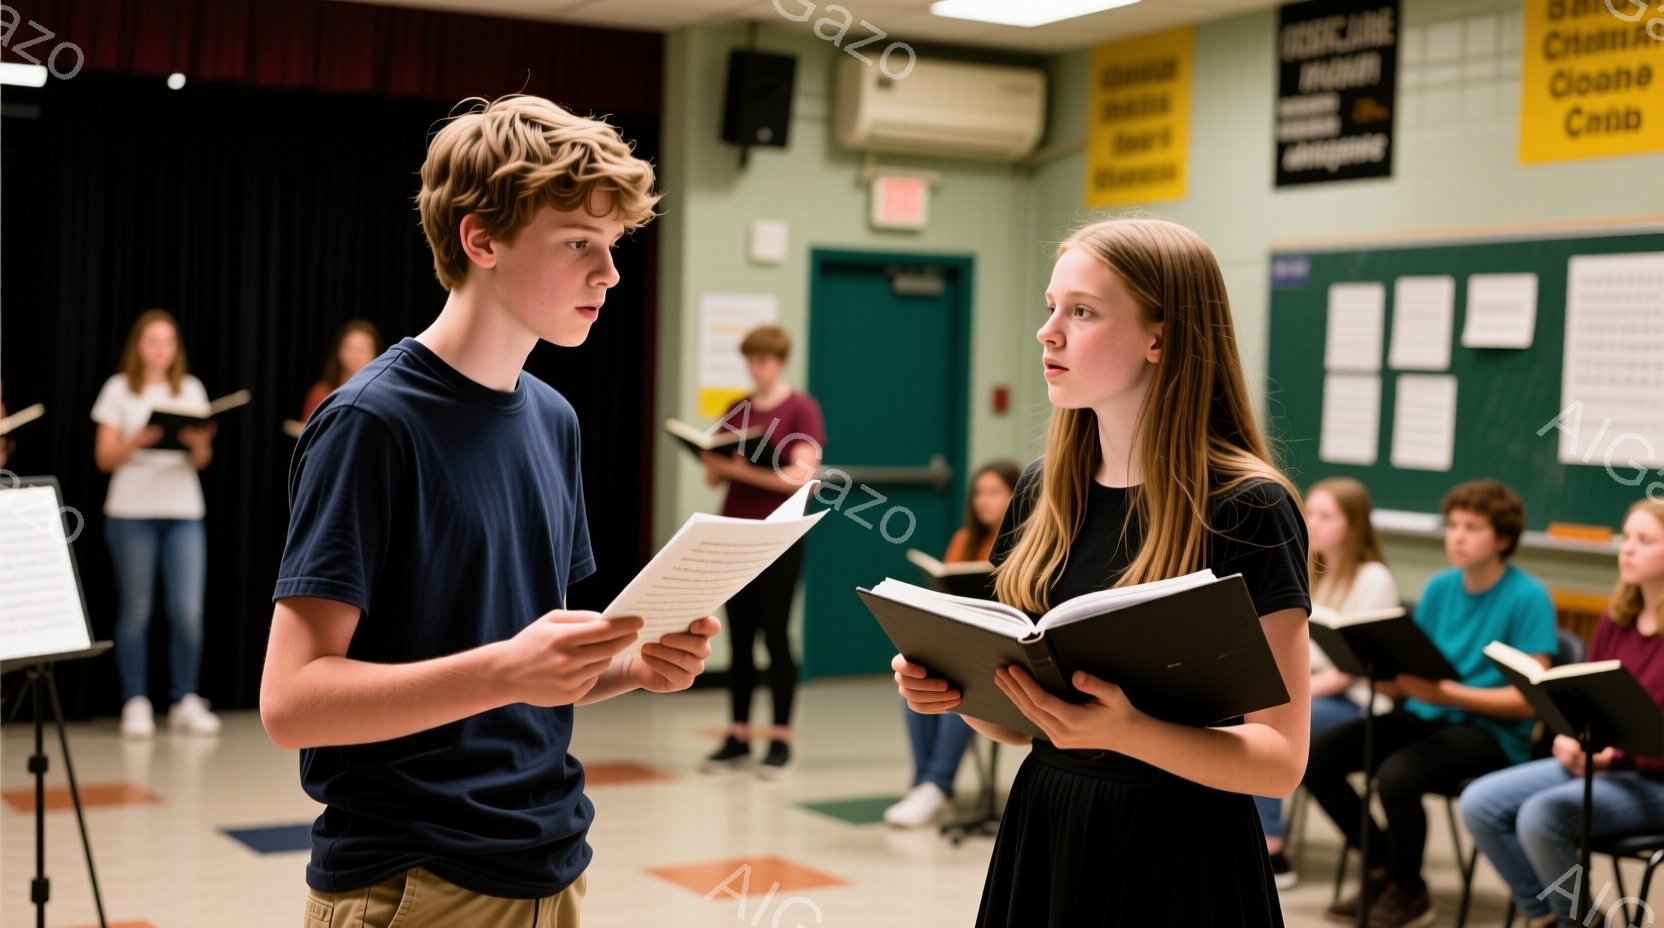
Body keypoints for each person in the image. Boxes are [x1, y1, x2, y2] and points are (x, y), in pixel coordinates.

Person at [260, 95, 718, 927]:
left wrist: (633, 666)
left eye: (612, 247)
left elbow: (535, 673)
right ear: (482, 240)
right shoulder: (371, 423)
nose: (609, 274)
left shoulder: (554, 418)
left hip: (551, 866)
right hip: (413, 883)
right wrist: (506, 669)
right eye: (579, 243)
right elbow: (291, 702)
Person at [894, 219, 1313, 927]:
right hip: (1050, 826)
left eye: (1081, 311)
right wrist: (955, 692)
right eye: (1051, 307)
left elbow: (1279, 759)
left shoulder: (1248, 507)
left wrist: (1126, 730)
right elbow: (1022, 726)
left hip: (1182, 849)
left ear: (1163, 337)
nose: (1047, 333)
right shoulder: (1043, 491)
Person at [1302, 478, 1558, 927]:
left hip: (1490, 731)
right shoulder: (1440, 587)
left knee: (1396, 777)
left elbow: (1529, 701)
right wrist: (1384, 677)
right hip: (1426, 713)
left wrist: (1444, 694)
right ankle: (1385, 865)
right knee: (1317, 756)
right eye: (1453, 524)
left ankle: (1406, 888)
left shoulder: (1529, 596)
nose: (1456, 536)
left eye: (1472, 527)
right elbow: (1419, 666)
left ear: (1502, 538)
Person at [1460, 499, 1664, 928]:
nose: (1627, 549)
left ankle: (1577, 920)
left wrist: (1612, 756)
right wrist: (1572, 734)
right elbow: (1590, 696)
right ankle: (1556, 917)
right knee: (1479, 803)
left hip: (1652, 777)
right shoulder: (1617, 616)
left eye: (1645, 541)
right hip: (1602, 763)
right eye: (1626, 537)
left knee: (1540, 817)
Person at [1257, 476, 1401, 887]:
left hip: (1355, 699)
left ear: (1353, 525)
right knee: (1249, 714)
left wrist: (1287, 695)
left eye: (1326, 516)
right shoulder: (1309, 568)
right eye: (1310, 513)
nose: (1313, 523)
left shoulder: (1374, 578)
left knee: (1268, 726)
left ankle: (1272, 846)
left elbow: (1352, 668)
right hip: (1309, 689)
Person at [699, 324, 825, 780]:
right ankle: (736, 736)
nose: (758, 368)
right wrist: (710, 460)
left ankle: (780, 740)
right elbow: (714, 477)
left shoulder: (801, 409)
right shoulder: (738, 408)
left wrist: (742, 471)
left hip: (779, 537)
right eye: (752, 360)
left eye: (765, 360)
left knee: (775, 635)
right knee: (738, 637)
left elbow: (800, 478)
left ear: (780, 362)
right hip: (735, 535)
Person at [92, 309, 221, 738]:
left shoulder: (191, 389)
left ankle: (185, 698)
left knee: (188, 612)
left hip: (184, 512)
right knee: (137, 610)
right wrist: (138, 439)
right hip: (131, 513)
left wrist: (198, 444)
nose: (160, 349)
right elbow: (105, 458)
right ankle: (136, 700)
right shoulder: (118, 390)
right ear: (138, 346)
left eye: (168, 341)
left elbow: (202, 461)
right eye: (152, 340)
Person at [885, 459, 1021, 828]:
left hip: (1004, 650)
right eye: (979, 493)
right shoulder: (965, 540)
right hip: (964, 639)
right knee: (916, 674)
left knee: (964, 687)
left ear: (1017, 495)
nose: (984, 501)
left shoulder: (1026, 544)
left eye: (994, 492)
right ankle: (926, 785)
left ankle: (935, 785)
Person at [301, 319, 382, 422]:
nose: (356, 355)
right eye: (350, 348)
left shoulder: (383, 396)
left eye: (363, 349)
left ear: (376, 354)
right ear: (339, 351)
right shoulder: (321, 392)